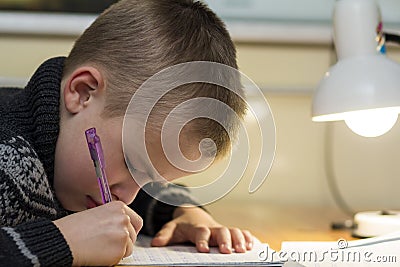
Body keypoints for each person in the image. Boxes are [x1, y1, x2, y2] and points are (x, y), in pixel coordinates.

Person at [0, 0, 252, 266]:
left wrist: (183, 213)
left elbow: (144, 196)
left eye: (149, 180)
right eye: (131, 164)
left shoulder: (86, 160)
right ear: (82, 92)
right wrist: (62, 240)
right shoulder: (8, 159)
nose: (128, 198)